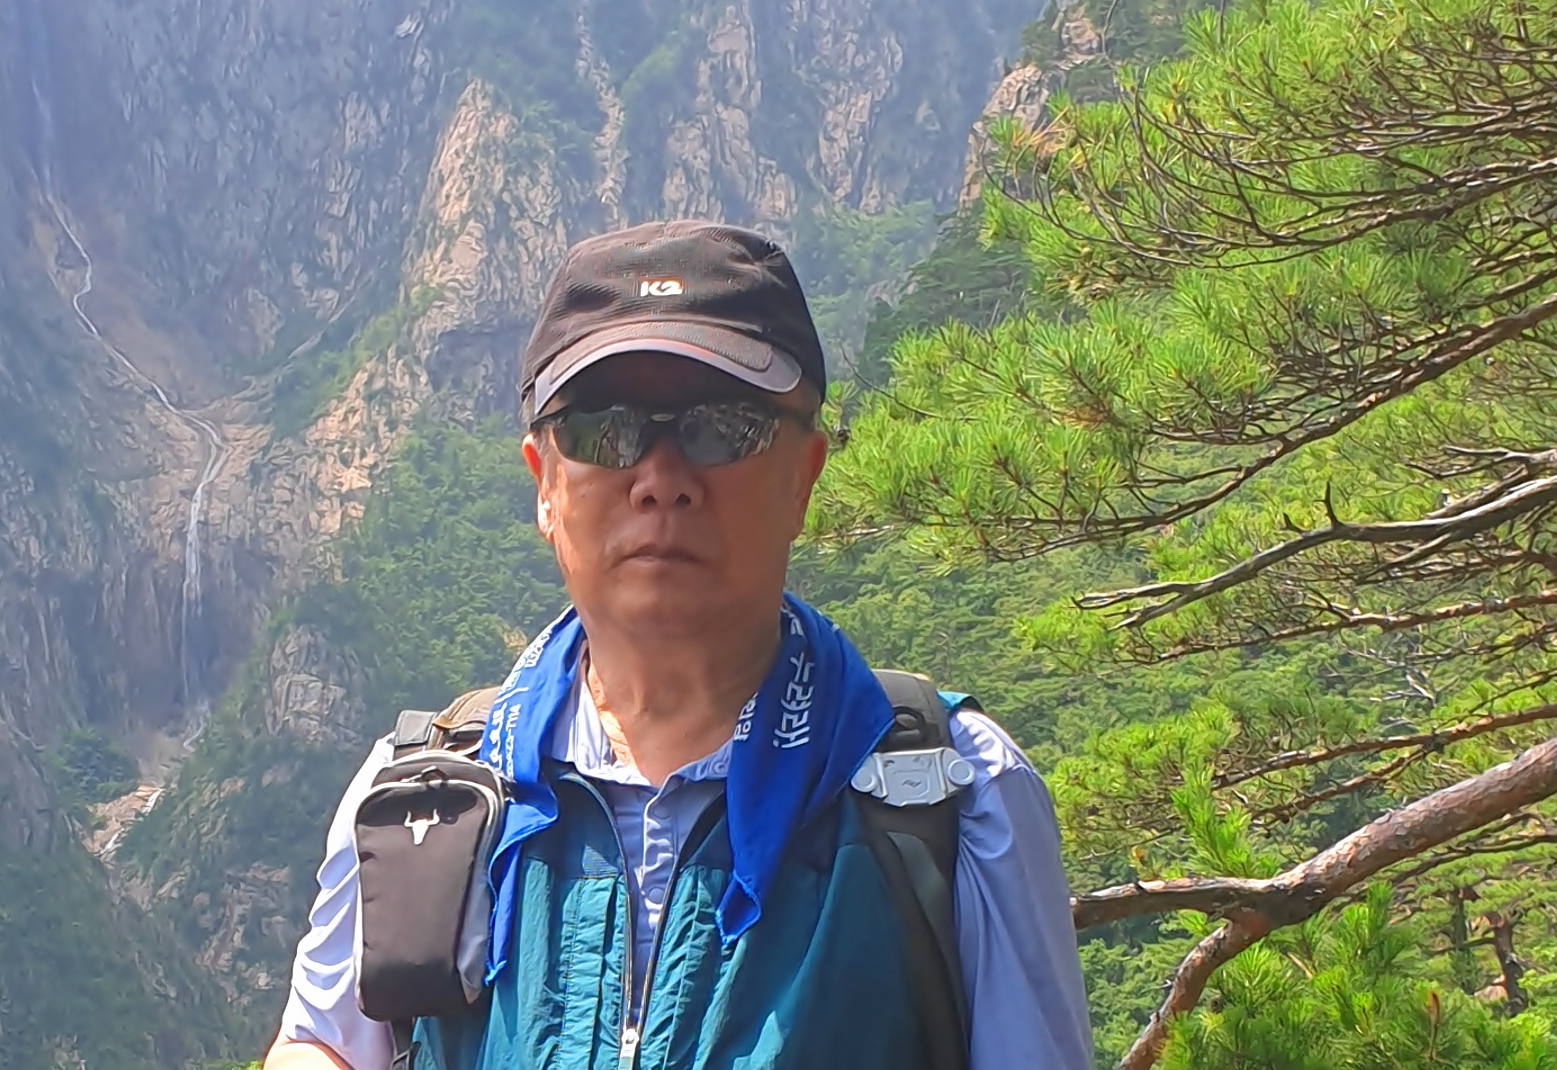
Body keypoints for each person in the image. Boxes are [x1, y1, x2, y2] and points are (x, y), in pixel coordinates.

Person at [265, 220, 1091, 1070]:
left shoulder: (950, 796)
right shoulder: (423, 801)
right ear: (544, 483)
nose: (660, 480)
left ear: (804, 476)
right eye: (602, 429)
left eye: (722, 426)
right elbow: (321, 1046)